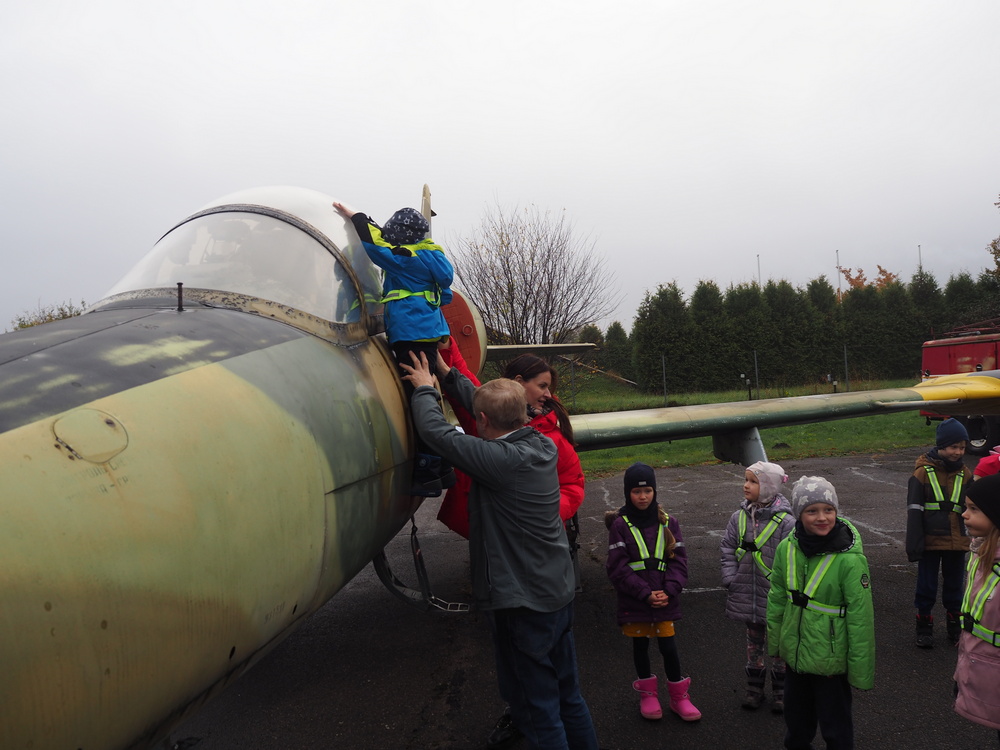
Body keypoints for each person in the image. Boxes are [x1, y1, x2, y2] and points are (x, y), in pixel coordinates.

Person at [401, 351, 600, 750]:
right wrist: (447, 373)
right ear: (523, 414)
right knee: (568, 696)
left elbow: (437, 433)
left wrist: (424, 389)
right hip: (557, 594)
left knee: (538, 709)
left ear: (484, 421)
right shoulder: (541, 443)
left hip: (525, 605)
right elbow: (485, 405)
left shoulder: (497, 460)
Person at [332, 201, 454, 496]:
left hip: (410, 333)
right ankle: (443, 466)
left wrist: (358, 218)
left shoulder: (406, 258)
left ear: (402, 237)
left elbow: (378, 248)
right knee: (428, 393)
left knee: (419, 398)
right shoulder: (430, 254)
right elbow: (445, 294)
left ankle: (427, 469)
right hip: (425, 331)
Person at [767, 476, 875, 750]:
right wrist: (777, 642)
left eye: (828, 510)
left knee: (835, 725)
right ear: (798, 514)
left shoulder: (850, 560)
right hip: (795, 655)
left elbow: (860, 617)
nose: (822, 517)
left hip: (831, 660)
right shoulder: (787, 549)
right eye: (812, 511)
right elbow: (777, 597)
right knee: (796, 721)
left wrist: (860, 671)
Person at [605, 462, 701, 722]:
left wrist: (669, 590)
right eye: (636, 492)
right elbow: (617, 567)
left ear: (655, 491)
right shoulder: (620, 525)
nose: (643, 497)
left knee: (669, 647)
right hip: (636, 600)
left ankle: (679, 697)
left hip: (664, 599)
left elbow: (679, 561)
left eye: (647, 490)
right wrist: (644, 593)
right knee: (640, 646)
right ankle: (648, 695)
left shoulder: (668, 522)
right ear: (627, 493)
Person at [720, 461, 795, 712]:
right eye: (746, 480)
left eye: (753, 481)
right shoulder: (738, 518)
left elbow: (793, 560)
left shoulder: (786, 523)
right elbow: (727, 547)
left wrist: (786, 590)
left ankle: (782, 691)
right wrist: (730, 578)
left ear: (769, 486)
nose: (746, 485)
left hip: (775, 596)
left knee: (779, 644)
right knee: (753, 644)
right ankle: (754, 689)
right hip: (746, 592)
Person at [905, 418, 973, 647]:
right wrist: (914, 544)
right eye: (954, 447)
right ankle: (924, 625)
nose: (959, 452)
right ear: (941, 445)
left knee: (955, 587)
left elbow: (973, 508)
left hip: (957, 542)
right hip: (930, 542)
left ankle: (955, 625)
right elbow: (914, 511)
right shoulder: (922, 473)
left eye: (962, 447)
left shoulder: (966, 474)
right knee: (926, 586)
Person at [954, 474, 1000, 744]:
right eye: (965, 507)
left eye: (974, 509)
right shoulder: (979, 555)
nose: (964, 514)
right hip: (981, 670)